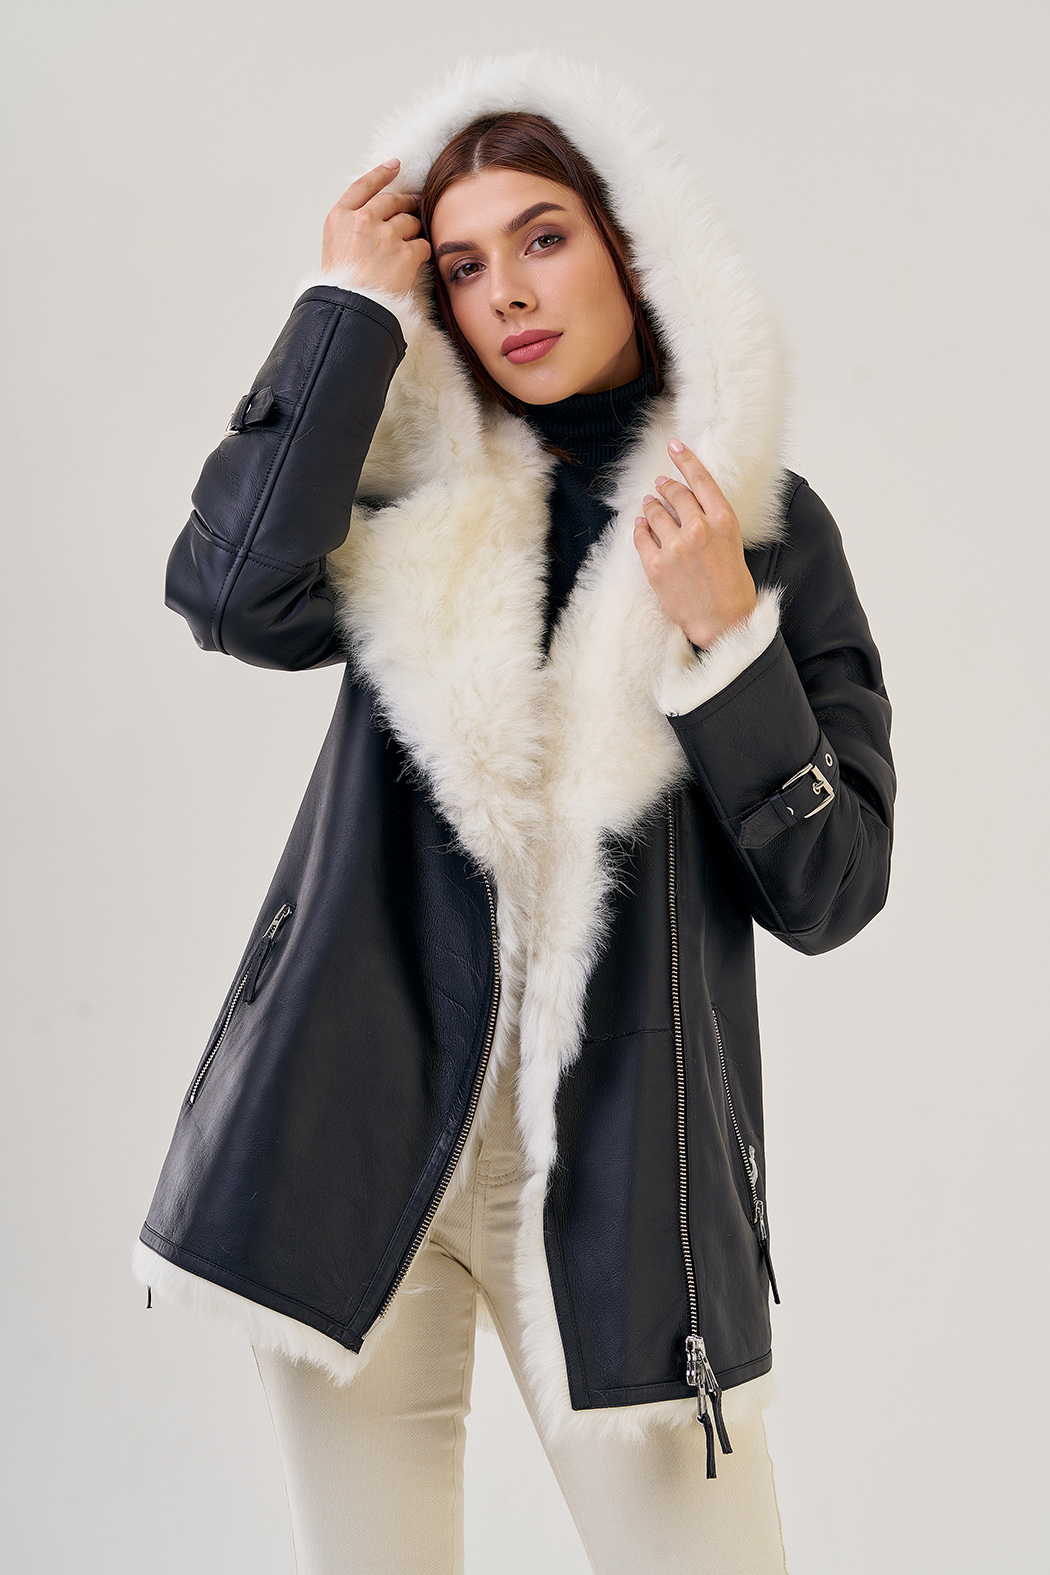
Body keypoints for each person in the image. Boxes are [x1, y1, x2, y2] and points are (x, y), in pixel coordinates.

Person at [133, 51, 895, 1575]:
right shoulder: (404, 493)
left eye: (543, 236)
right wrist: (343, 313)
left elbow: (833, 888)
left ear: (633, 246)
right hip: (344, 1145)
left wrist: (724, 643)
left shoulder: (759, 527)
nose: (510, 294)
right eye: (465, 265)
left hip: (624, 1187)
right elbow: (226, 595)